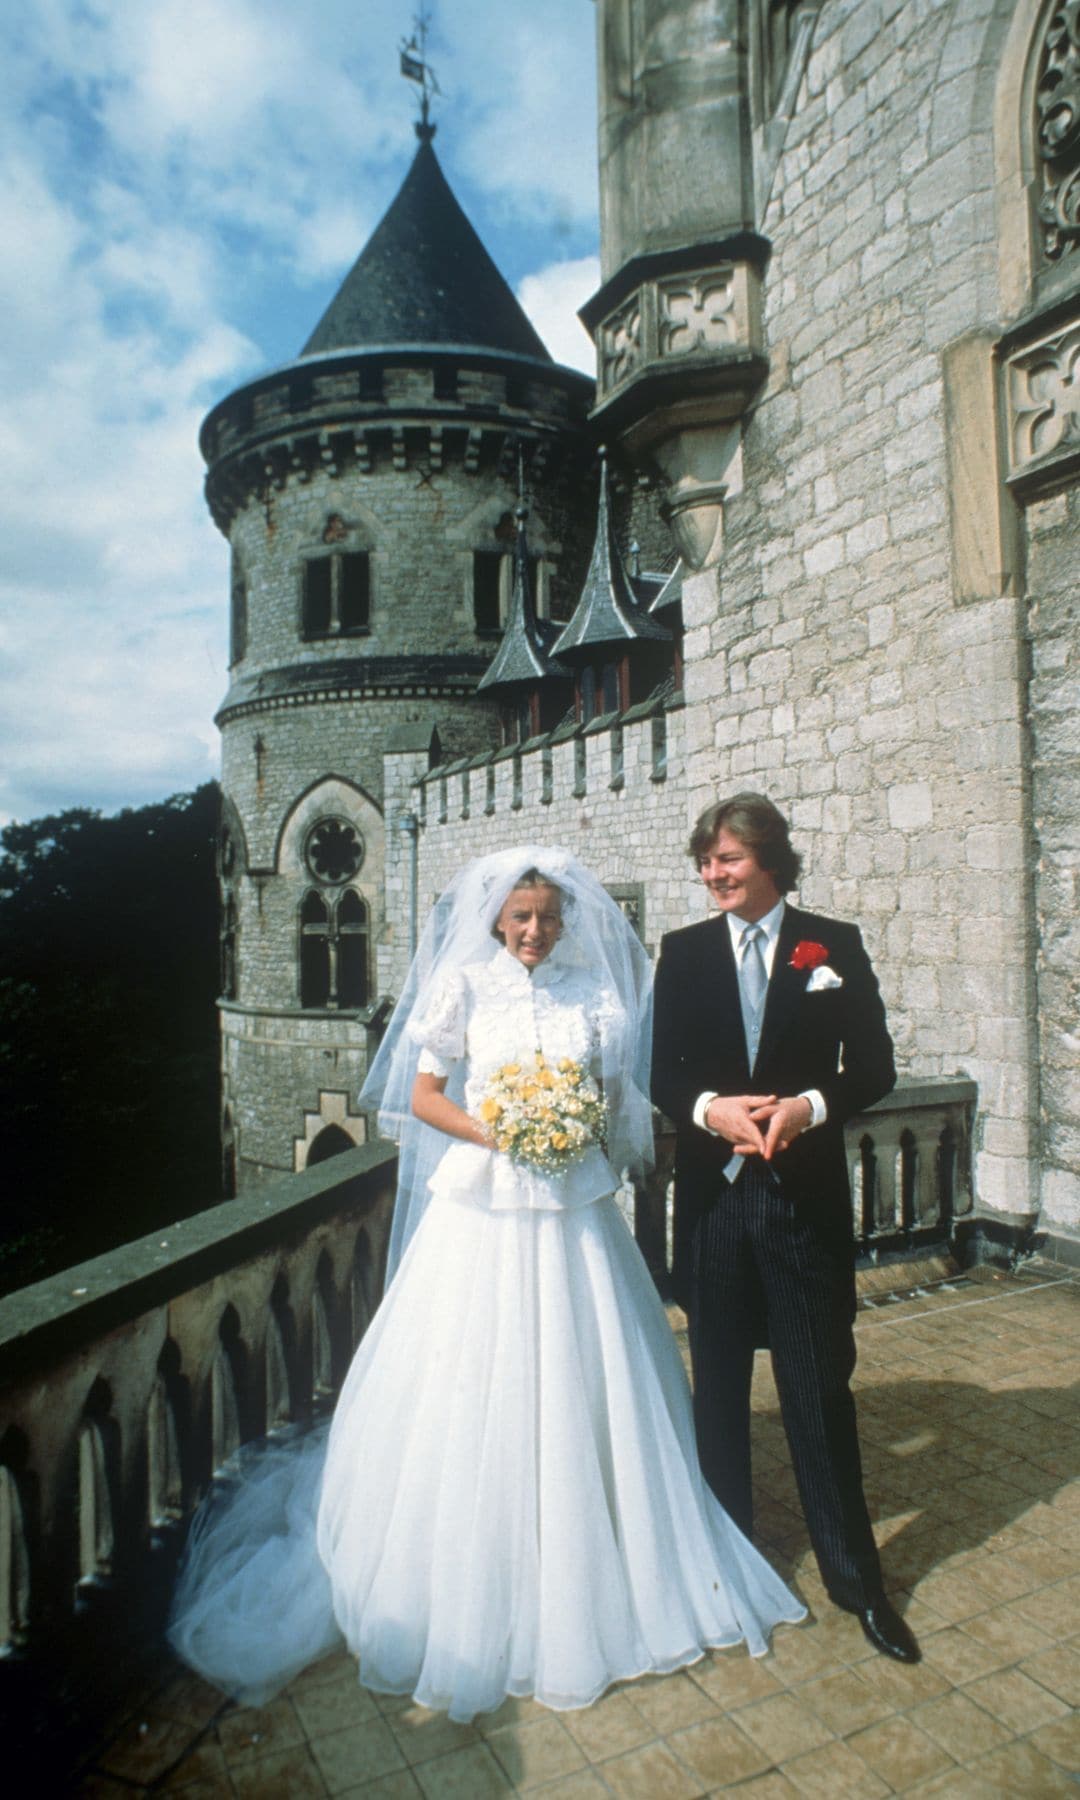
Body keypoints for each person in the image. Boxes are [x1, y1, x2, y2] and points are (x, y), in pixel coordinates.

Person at [169, 845, 804, 1722]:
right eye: (520, 919)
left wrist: (576, 1126)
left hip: (576, 1211)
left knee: (593, 1380)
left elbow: (622, 1099)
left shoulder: (597, 996)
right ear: (497, 922)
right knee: (475, 1382)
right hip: (484, 1208)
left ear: (564, 918)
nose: (534, 932)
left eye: (546, 917)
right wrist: (495, 1130)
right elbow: (420, 1098)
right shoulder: (464, 986)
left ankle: (601, 1558)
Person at [651, 794, 921, 1664]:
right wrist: (709, 1108)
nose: (711, 875)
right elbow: (662, 1073)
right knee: (718, 1395)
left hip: (802, 1204)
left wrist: (807, 1107)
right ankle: (728, 1569)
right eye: (705, 861)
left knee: (817, 1392)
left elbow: (874, 1068)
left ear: (769, 860)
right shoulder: (684, 952)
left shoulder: (830, 945)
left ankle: (857, 1582)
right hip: (715, 1205)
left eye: (726, 860)